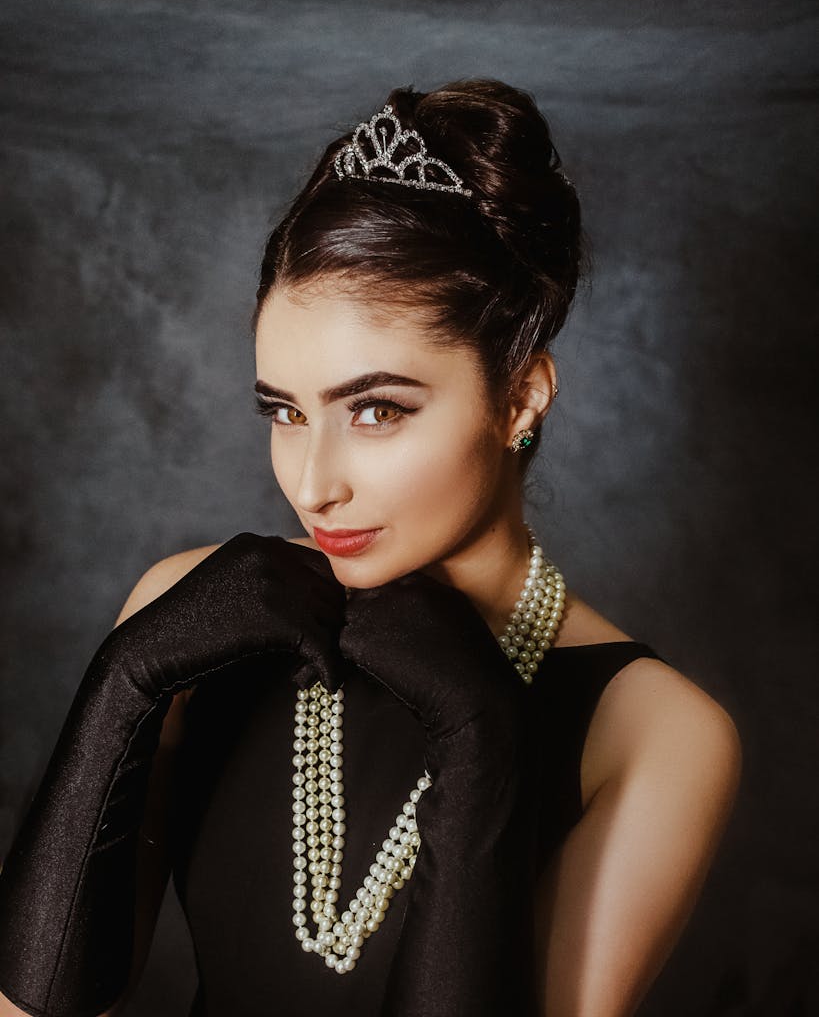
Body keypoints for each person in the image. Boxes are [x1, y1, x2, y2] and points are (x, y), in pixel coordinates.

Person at [0, 79, 742, 1017]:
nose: (314, 484)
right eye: (283, 411)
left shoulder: (653, 732)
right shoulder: (186, 611)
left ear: (519, 397)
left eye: (377, 410)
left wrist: (483, 743)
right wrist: (124, 684)